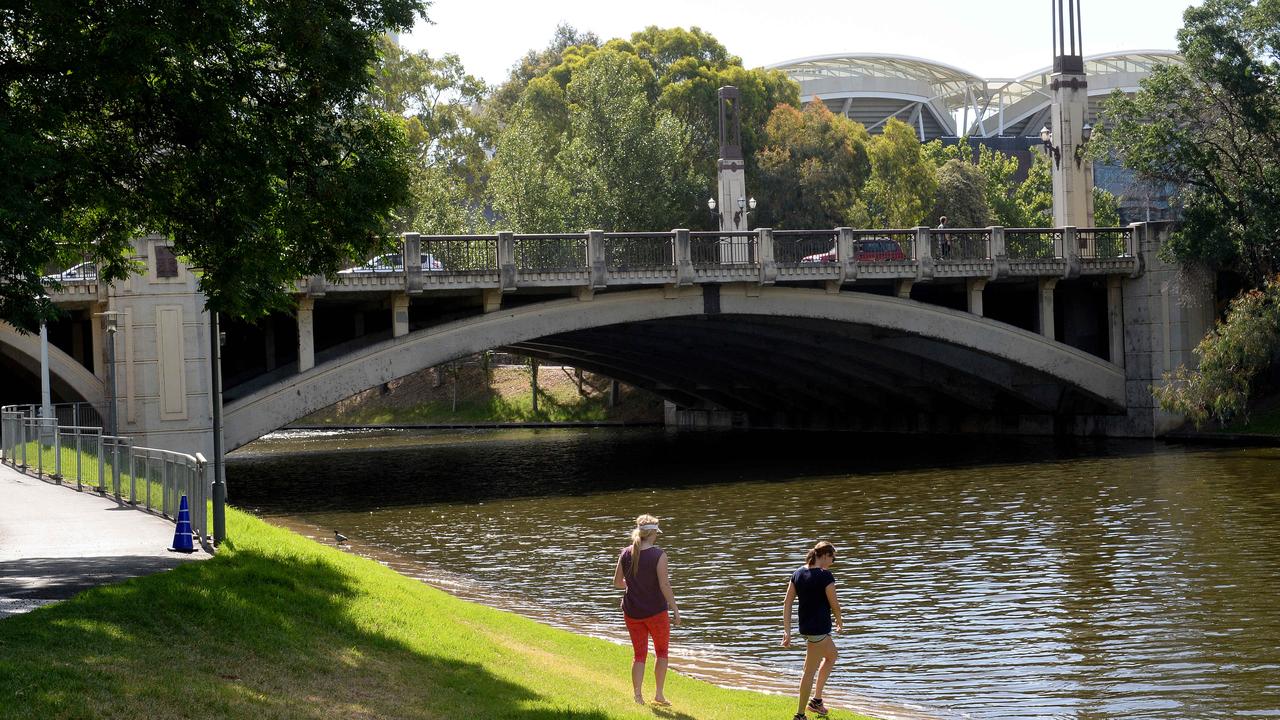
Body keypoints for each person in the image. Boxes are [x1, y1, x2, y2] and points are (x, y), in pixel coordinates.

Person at [613, 514, 681, 706]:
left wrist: (633, 585)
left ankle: (637, 696)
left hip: (632, 612)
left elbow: (617, 583)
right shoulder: (659, 555)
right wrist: (675, 608)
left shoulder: (625, 552)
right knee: (661, 651)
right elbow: (665, 585)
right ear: (652, 533)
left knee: (639, 654)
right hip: (656, 613)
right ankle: (659, 695)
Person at [782, 541, 842, 719]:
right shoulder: (825, 576)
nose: (833, 561)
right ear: (824, 555)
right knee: (809, 672)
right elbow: (834, 603)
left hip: (808, 629)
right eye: (833, 557)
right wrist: (840, 620)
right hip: (818, 630)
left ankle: (816, 701)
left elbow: (787, 603)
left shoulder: (798, 574)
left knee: (831, 656)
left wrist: (787, 631)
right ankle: (800, 714)